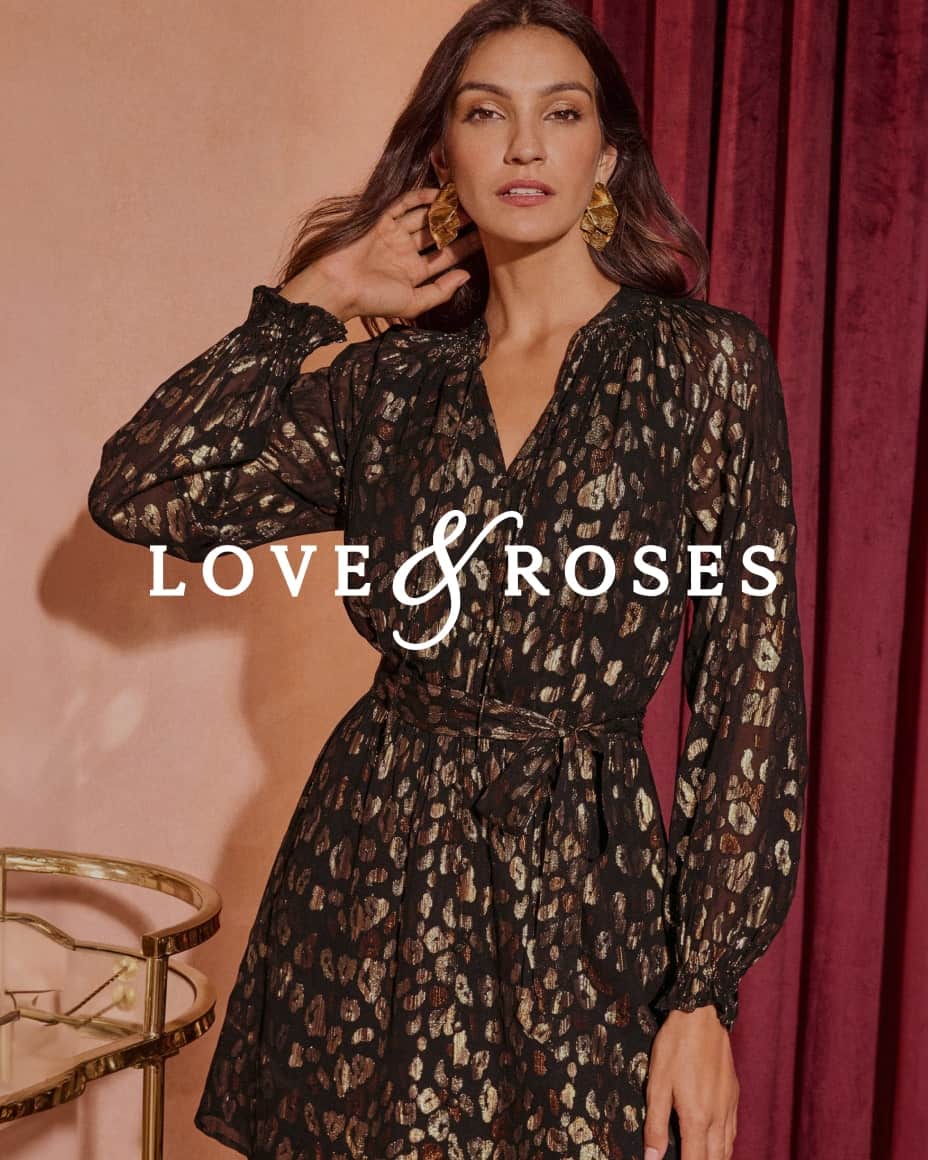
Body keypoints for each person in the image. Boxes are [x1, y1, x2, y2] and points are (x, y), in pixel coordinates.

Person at [86, 2, 809, 1157]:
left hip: (583, 885)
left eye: (559, 114)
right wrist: (320, 297)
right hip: (374, 865)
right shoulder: (390, 388)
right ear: (444, 157)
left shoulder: (701, 365)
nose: (523, 145)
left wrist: (700, 991)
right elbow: (145, 492)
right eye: (485, 114)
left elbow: (749, 689)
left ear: (605, 156)